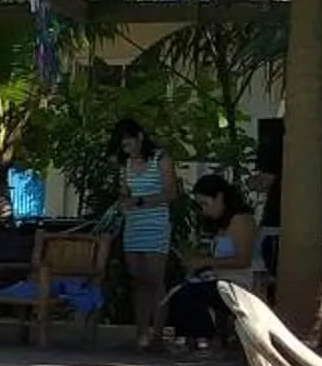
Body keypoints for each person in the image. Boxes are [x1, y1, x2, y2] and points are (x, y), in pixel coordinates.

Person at [165, 174, 259, 350]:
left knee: (189, 295)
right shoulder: (219, 225)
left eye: (205, 204)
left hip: (238, 283)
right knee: (177, 292)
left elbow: (243, 260)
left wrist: (205, 262)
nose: (203, 210)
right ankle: (190, 338)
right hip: (217, 279)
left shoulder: (241, 220)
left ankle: (207, 338)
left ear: (220, 197)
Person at [110, 118, 174, 349]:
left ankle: (157, 335)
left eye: (128, 144)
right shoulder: (125, 164)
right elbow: (124, 192)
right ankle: (141, 333)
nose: (126, 150)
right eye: (123, 147)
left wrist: (140, 201)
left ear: (140, 138)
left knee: (155, 279)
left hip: (155, 224)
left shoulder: (161, 159)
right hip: (134, 226)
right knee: (138, 280)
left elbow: (170, 193)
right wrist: (123, 202)